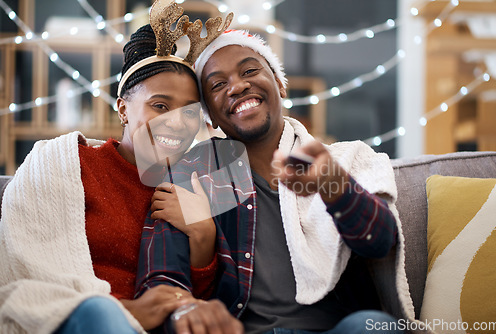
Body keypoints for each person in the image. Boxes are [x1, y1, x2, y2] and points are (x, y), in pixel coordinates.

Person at [137, 31, 418, 334]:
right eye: (218, 85)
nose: (238, 85)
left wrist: (332, 186)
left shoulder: (341, 161)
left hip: (335, 329)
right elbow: (163, 277)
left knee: (373, 328)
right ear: (211, 119)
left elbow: (379, 243)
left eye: (249, 71)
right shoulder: (196, 172)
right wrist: (184, 310)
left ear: (280, 84)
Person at [0, 1, 243, 333]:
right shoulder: (72, 166)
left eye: (190, 112)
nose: (177, 123)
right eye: (160, 106)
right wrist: (128, 311)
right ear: (124, 108)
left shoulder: (194, 185)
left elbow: (188, 305)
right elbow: (33, 272)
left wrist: (202, 234)